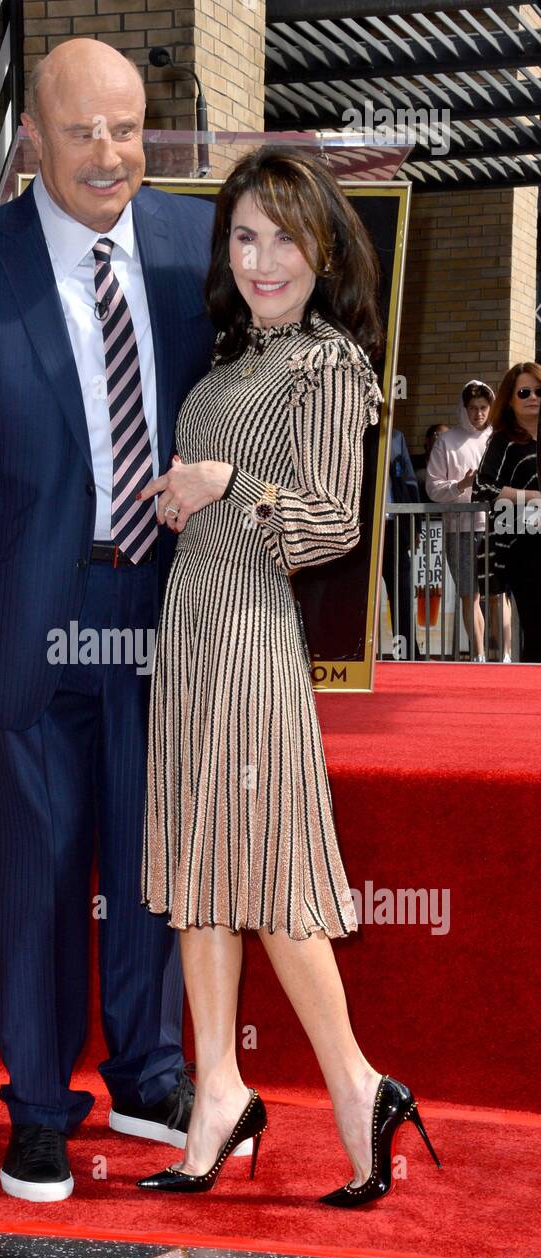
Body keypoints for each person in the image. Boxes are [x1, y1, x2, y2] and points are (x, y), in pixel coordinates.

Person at [0, 38, 222, 1201]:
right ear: (31, 135)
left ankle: (153, 1072)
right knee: (41, 874)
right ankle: (39, 1108)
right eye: (83, 134)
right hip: (32, 614)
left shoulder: (195, 246)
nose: (112, 156)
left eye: (129, 131)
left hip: (167, 599)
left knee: (157, 855)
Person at [136, 146, 442, 1203]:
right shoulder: (228, 364)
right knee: (198, 874)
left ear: (324, 247)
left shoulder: (327, 364)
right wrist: (186, 493)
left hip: (256, 641)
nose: (265, 259)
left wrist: (225, 479)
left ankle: (359, 1082)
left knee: (269, 881)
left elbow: (329, 523)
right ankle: (218, 1088)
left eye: (286, 235)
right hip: (190, 632)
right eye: (244, 236)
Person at [472, 364, 541, 662]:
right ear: (510, 400)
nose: (533, 397)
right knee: (537, 627)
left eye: (539, 391)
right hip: (524, 545)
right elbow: (483, 487)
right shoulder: (503, 441)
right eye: (524, 392)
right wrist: (534, 497)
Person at [426, 381, 495, 661]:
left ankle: (503, 655)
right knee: (470, 594)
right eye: (473, 408)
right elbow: (433, 487)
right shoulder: (446, 441)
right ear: (463, 409)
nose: (478, 413)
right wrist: (461, 484)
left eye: (483, 408)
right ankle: (479, 655)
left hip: (494, 527)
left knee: (497, 595)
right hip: (460, 528)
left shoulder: (497, 439)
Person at [381, 426, 422, 658]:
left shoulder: (396, 437)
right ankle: (356, 653)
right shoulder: (346, 430)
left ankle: (406, 652)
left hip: (394, 524)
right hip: (361, 527)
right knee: (358, 593)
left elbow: (409, 481)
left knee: (401, 592)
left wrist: (413, 525)